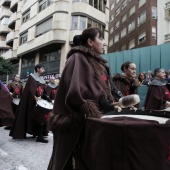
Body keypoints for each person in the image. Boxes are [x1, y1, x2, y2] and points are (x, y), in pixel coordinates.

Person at [48, 27, 121, 170]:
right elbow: (78, 92)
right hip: (76, 124)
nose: (104, 43)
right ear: (90, 42)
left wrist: (114, 103)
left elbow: (105, 91)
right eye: (101, 38)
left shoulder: (99, 64)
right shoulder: (78, 58)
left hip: (92, 122)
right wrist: (105, 105)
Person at [10, 64, 52, 143]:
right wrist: (35, 96)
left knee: (40, 118)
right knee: (36, 117)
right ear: (37, 69)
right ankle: (38, 136)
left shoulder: (41, 79)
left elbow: (43, 90)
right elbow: (30, 89)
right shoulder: (32, 77)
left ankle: (38, 135)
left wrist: (45, 97)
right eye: (42, 68)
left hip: (40, 101)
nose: (44, 69)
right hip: (32, 102)